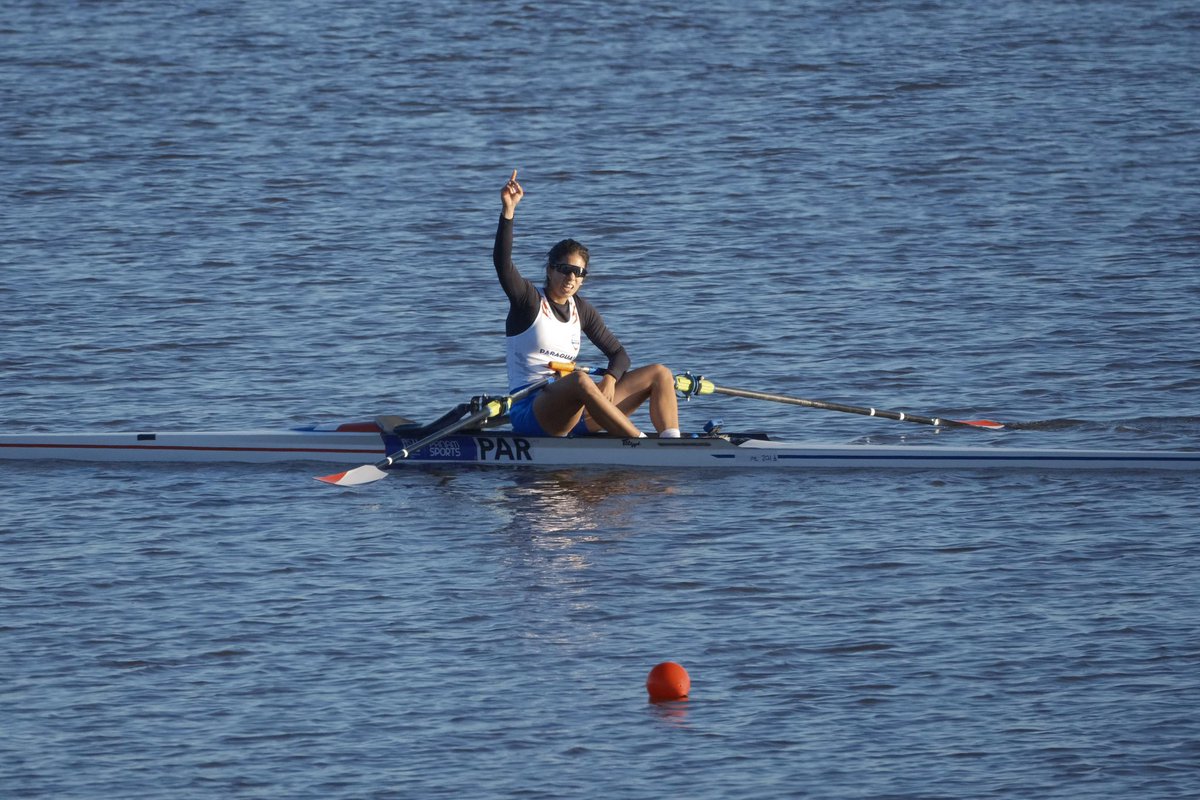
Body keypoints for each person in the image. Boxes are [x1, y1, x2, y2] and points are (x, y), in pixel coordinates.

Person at [493, 169, 680, 439]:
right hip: (532, 412)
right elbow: (502, 265)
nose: (571, 277)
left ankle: (671, 442)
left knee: (660, 373)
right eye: (565, 269)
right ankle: (639, 443)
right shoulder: (528, 301)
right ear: (550, 270)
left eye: (578, 272)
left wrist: (610, 379)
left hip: (575, 410)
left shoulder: (581, 309)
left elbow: (620, 356)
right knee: (580, 379)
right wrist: (508, 211)